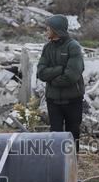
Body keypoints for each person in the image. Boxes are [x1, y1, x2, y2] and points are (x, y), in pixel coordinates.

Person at [36, 15, 85, 143]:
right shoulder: (47, 48)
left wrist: (51, 81)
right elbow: (41, 73)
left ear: (56, 30)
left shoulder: (73, 47)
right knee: (54, 135)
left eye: (49, 28)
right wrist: (60, 69)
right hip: (53, 100)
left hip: (73, 99)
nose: (46, 30)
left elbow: (72, 75)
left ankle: (73, 161)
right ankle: (56, 162)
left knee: (73, 134)